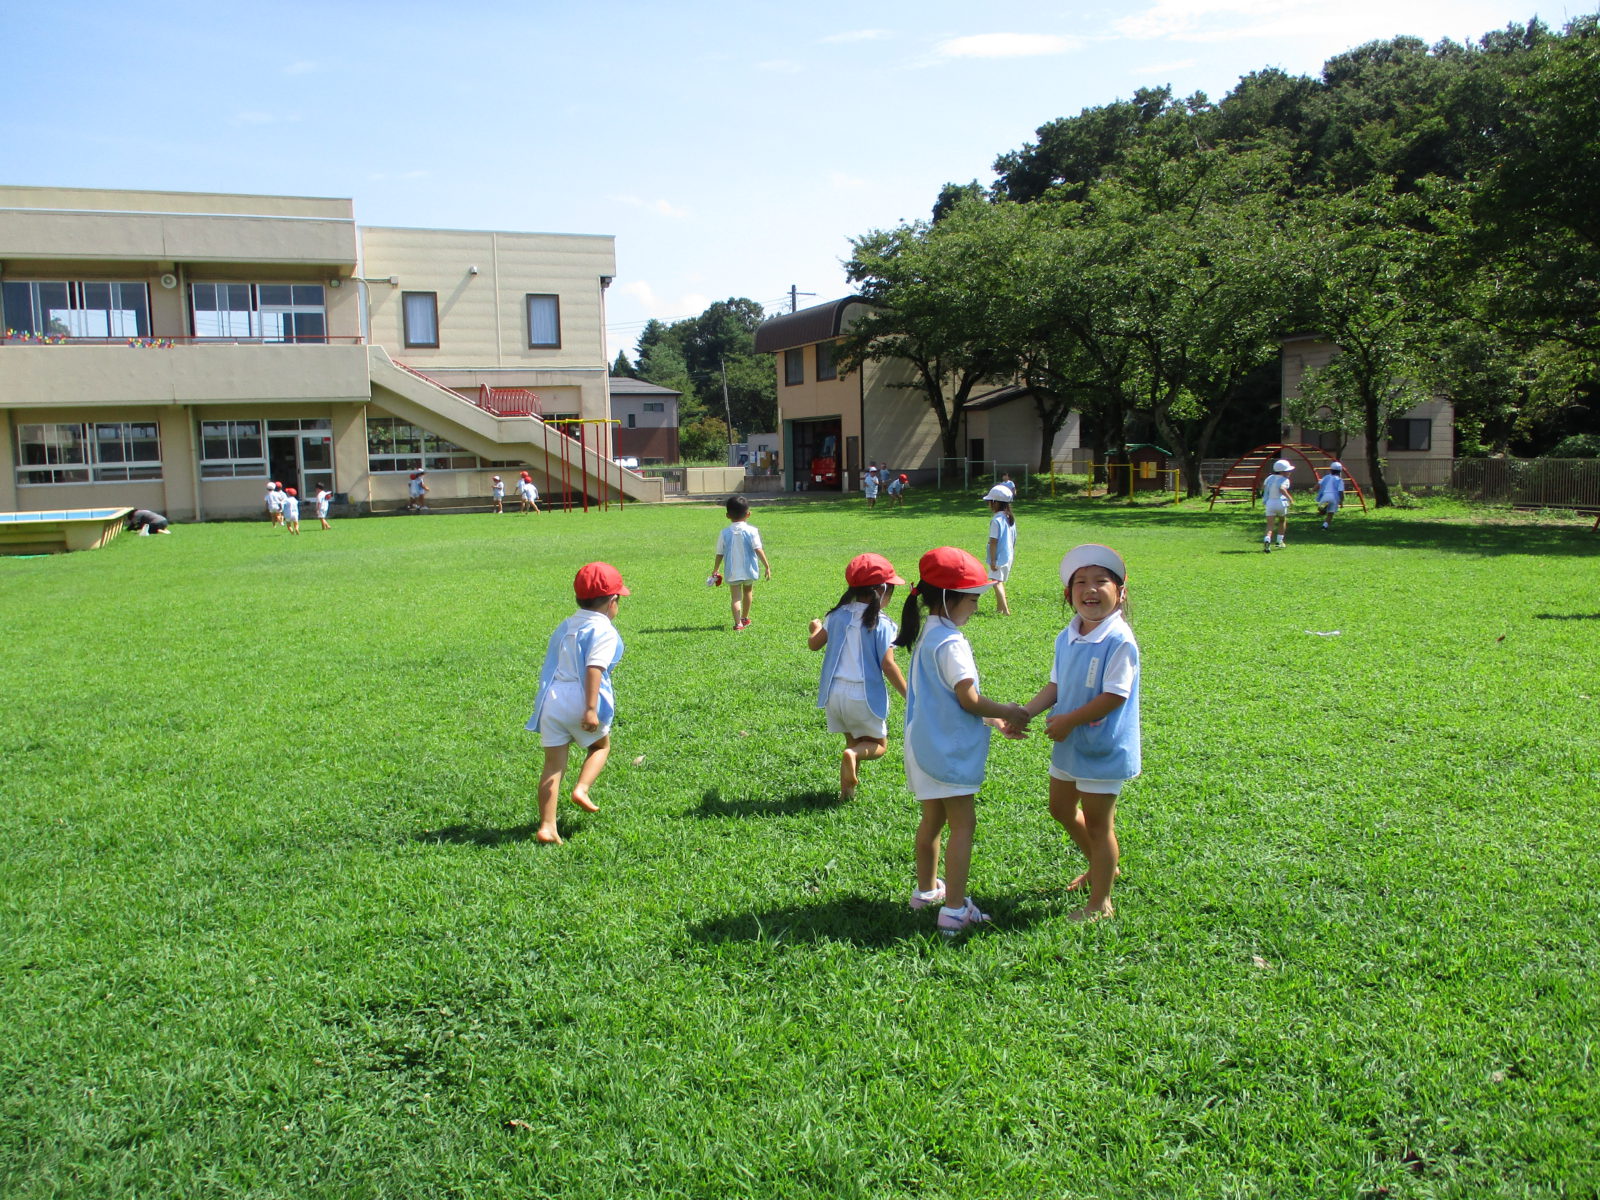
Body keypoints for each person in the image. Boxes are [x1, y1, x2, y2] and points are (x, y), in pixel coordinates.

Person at [893, 547, 1030, 938]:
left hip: (923, 746)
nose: (975, 607)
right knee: (963, 825)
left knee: (932, 820)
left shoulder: (928, 634)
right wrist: (1007, 710)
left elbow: (945, 699)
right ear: (948, 598)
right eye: (972, 599)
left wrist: (994, 719)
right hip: (946, 751)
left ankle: (925, 892)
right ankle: (954, 910)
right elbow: (967, 699)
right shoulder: (951, 642)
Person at [1009, 544, 1141, 923]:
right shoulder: (1066, 636)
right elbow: (1056, 685)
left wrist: (1070, 720)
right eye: (1080, 582)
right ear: (1069, 594)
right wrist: (1025, 713)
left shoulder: (1119, 640)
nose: (1090, 589)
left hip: (1102, 747)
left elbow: (1115, 696)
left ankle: (1101, 903)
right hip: (1070, 744)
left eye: (1101, 581)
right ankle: (1102, 867)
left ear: (1120, 593)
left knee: (1100, 826)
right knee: (1061, 809)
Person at [525, 562, 630, 845]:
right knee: (600, 747)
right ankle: (582, 789)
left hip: (553, 699)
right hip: (581, 697)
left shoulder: (567, 624)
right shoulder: (603, 629)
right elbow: (594, 667)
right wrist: (591, 708)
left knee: (552, 766)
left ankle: (547, 826)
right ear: (612, 601)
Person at [807, 553, 909, 801]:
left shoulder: (836, 615)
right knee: (878, 746)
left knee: (853, 741)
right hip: (864, 695)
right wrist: (910, 695)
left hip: (834, 694)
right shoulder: (883, 623)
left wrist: (815, 628)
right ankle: (852, 757)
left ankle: (847, 793)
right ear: (881, 590)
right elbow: (888, 664)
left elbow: (814, 644)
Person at [711, 494, 772, 631]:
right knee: (748, 591)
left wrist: (716, 569)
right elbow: (758, 549)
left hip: (732, 571)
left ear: (727, 515)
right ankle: (745, 618)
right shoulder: (752, 531)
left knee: (735, 598)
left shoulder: (724, 533)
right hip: (749, 570)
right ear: (748, 514)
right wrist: (767, 566)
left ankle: (738, 623)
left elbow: (719, 553)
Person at [983, 485, 1017, 616]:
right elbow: (1014, 539)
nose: (989, 505)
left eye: (990, 502)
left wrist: (993, 560)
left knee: (996, 582)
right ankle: (999, 608)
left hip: (999, 557)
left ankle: (1005, 610)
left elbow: (993, 541)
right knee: (998, 581)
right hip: (1008, 555)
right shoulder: (1009, 519)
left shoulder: (996, 520)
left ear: (995, 503)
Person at [1261, 457, 1293, 551]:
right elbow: (1282, 488)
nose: (1289, 472)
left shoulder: (1269, 478)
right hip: (1280, 502)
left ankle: (1267, 539)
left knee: (1270, 525)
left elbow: (1263, 487)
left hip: (1270, 503)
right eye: (1288, 471)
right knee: (1282, 521)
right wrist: (1290, 498)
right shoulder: (1285, 480)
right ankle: (1280, 541)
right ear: (1282, 471)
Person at [1316, 461, 1346, 531]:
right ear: (1340, 471)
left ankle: (1323, 509)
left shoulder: (1326, 477)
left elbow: (1318, 484)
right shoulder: (1340, 480)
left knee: (1321, 509)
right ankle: (1324, 526)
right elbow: (1341, 492)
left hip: (1325, 496)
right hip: (1334, 498)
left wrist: (1312, 490)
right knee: (1330, 514)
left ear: (1330, 470)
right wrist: (1341, 501)